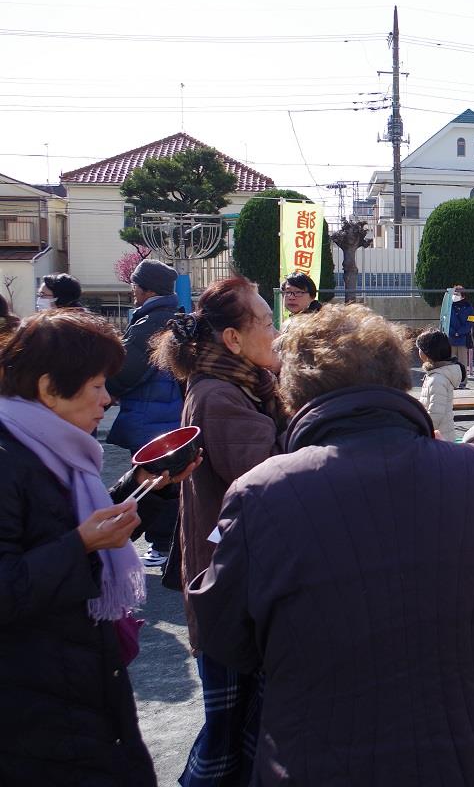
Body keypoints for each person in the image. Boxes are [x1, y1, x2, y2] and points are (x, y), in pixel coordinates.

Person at [189, 304, 474, 786]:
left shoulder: (262, 493)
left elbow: (223, 634)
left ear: (293, 394)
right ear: (397, 379)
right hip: (469, 755)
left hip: (315, 757)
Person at [0, 309, 193, 785]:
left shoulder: (52, 444)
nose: (108, 399)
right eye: (97, 386)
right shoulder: (9, 458)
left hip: (77, 676)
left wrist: (145, 487)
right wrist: (81, 545)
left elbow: (78, 525)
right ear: (49, 389)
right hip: (33, 701)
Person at [153, 274, 285, 786]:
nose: (276, 333)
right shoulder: (220, 395)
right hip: (230, 585)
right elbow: (272, 476)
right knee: (230, 730)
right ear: (232, 338)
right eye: (267, 322)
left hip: (234, 577)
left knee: (240, 722)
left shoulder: (239, 384)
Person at [106, 258, 184, 568]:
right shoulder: (175, 316)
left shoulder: (149, 323)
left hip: (150, 415)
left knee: (154, 481)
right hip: (169, 413)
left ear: (146, 289)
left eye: (134, 285)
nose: (132, 291)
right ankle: (170, 545)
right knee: (169, 480)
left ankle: (162, 545)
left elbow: (125, 372)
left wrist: (102, 393)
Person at [416, 328, 466, 441]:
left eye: (420, 348)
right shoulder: (436, 374)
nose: (418, 351)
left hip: (439, 439)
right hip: (441, 436)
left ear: (428, 353)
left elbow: (435, 414)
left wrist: (421, 431)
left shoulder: (437, 379)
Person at [445, 284, 474, 382]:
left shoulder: (469, 307)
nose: (454, 296)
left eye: (457, 294)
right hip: (451, 339)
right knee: (451, 363)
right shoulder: (448, 306)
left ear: (463, 296)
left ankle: (462, 382)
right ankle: (452, 382)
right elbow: (445, 320)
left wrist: (459, 332)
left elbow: (470, 322)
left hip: (462, 340)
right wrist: (452, 332)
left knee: (462, 363)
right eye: (453, 294)